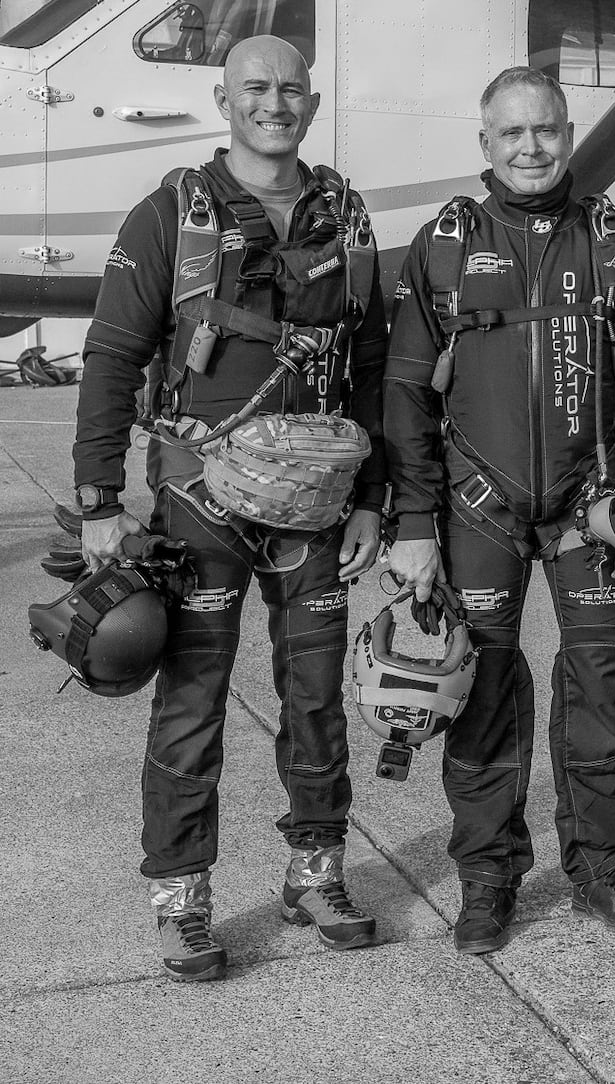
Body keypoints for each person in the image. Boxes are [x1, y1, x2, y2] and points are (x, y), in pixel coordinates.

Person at [73, 36, 386, 981]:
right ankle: (181, 896)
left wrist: (375, 494)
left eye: (291, 89)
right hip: (199, 498)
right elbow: (112, 354)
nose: (274, 103)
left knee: (316, 697)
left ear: (313, 100)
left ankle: (317, 869)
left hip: (318, 504)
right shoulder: (170, 213)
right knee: (192, 703)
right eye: (256, 87)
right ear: (223, 98)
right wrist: (98, 498)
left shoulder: (346, 216)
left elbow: (371, 363)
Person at [384, 68, 615, 955]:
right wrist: (413, 522)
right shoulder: (443, 243)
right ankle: (488, 877)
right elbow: (406, 390)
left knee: (603, 690)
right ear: (485, 144)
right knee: (481, 694)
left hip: (588, 509)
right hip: (476, 507)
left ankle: (602, 866)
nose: (531, 148)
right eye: (512, 134)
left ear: (567, 133)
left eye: (547, 131)